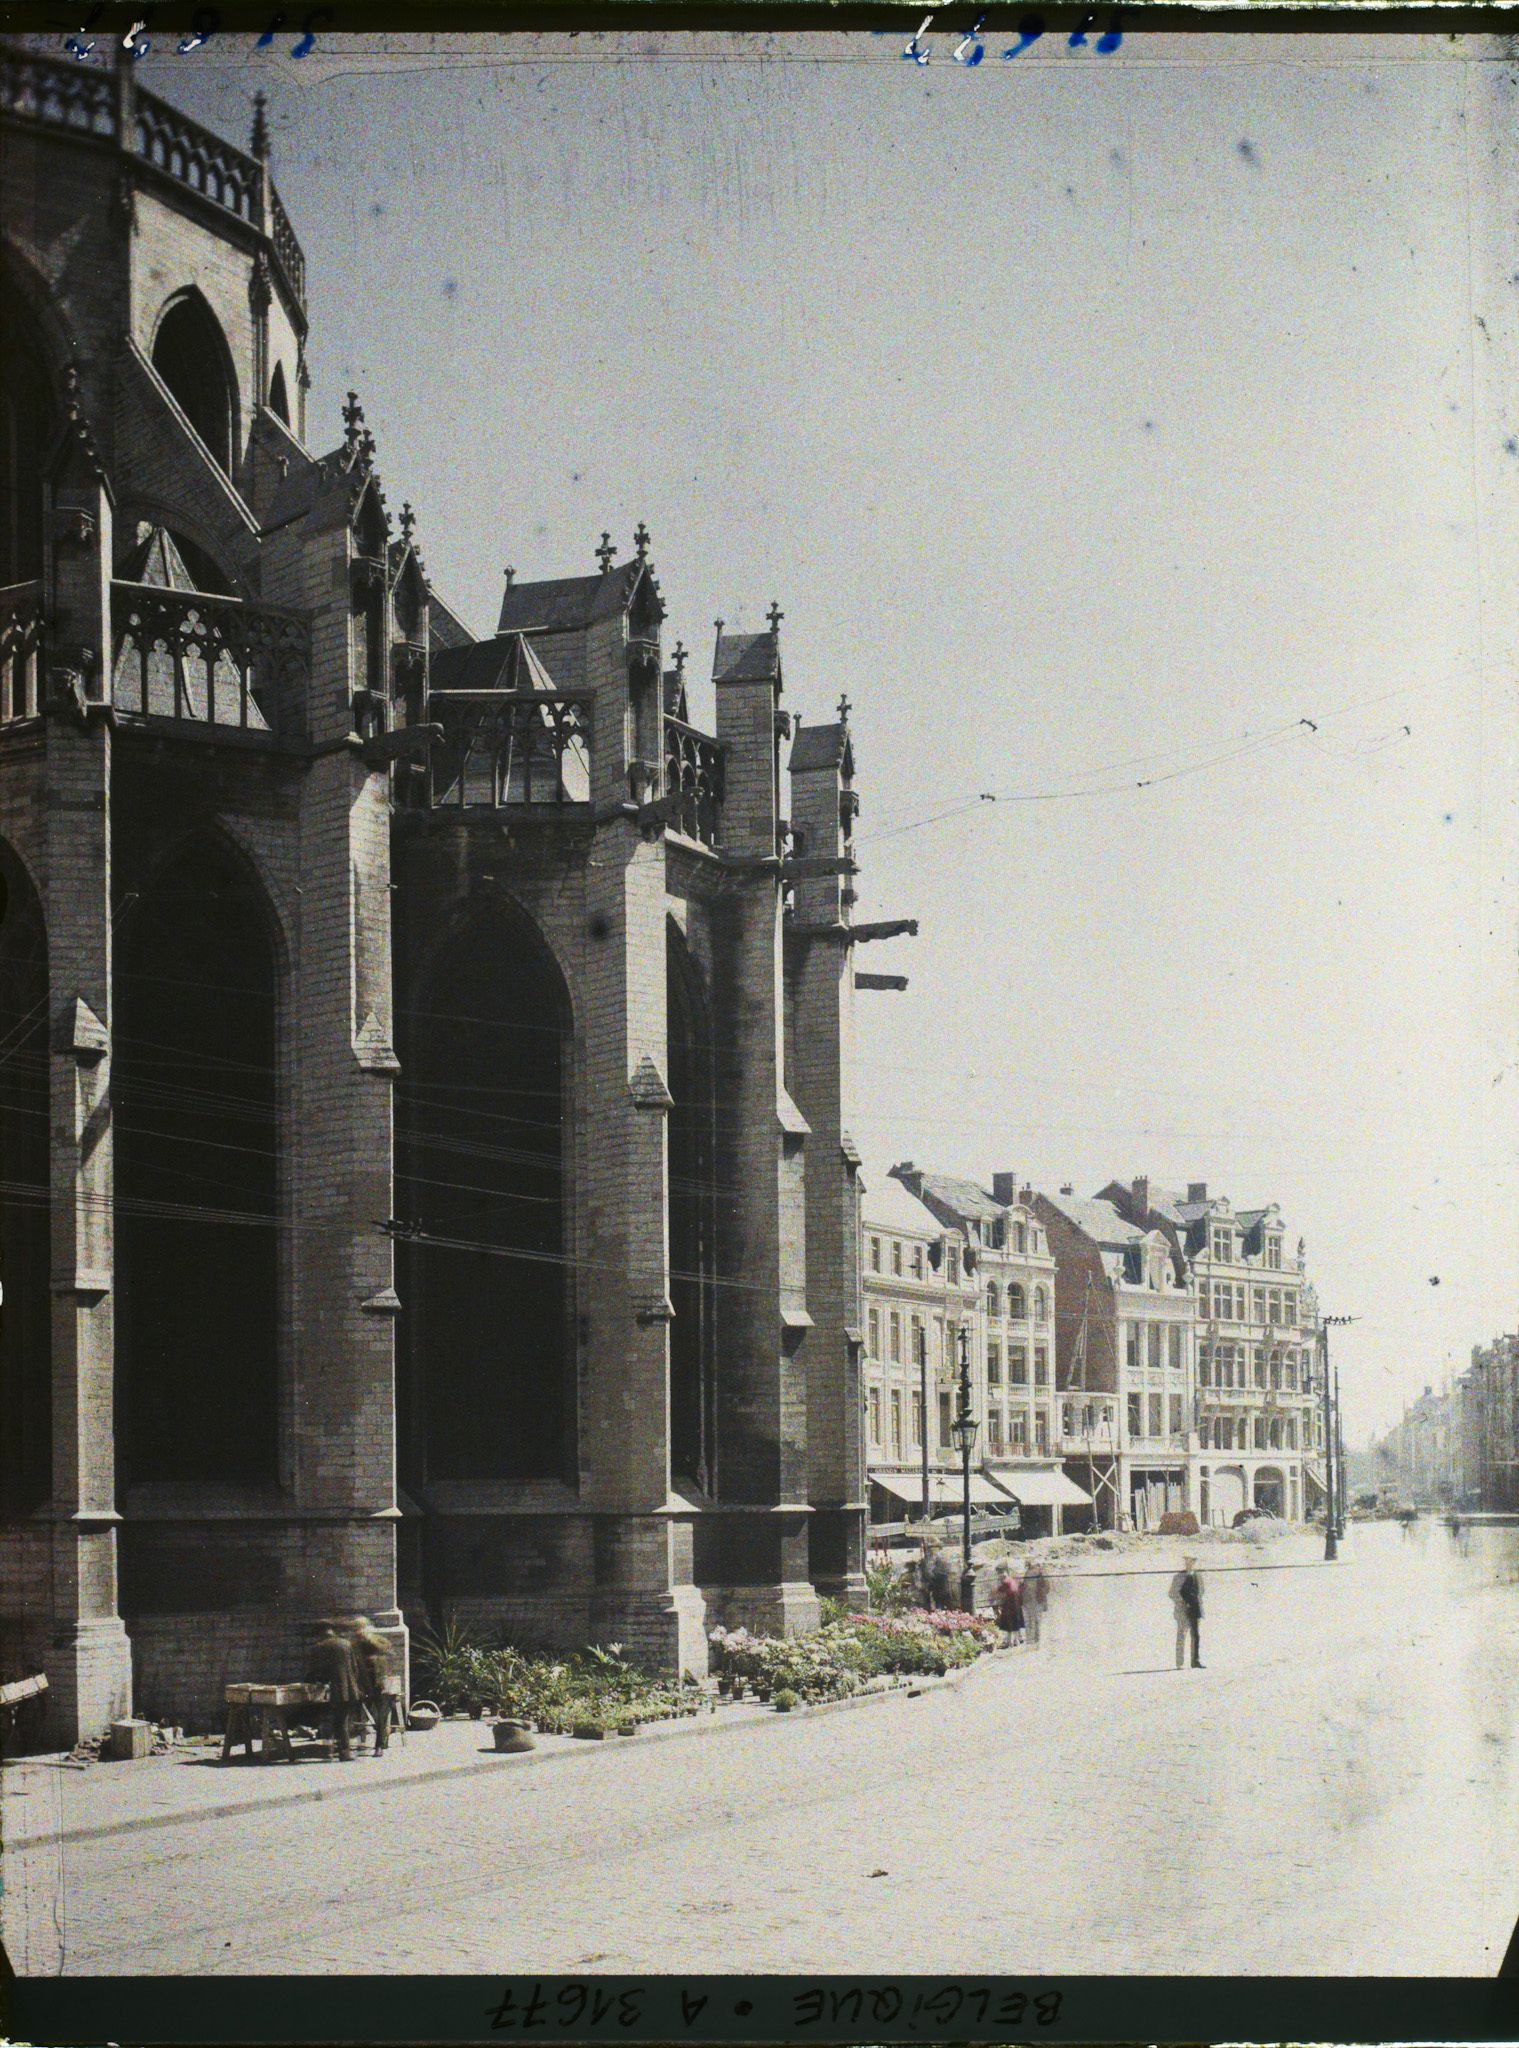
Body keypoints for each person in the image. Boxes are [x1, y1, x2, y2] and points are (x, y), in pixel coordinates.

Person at [306, 1619, 364, 1760]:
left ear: (320, 1633)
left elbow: (316, 1671)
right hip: (350, 1689)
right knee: (343, 1720)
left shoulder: (319, 1647)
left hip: (331, 1690)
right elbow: (355, 1668)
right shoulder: (346, 1644)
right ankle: (341, 1750)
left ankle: (336, 1751)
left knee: (332, 1720)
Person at [346, 1616, 395, 1755]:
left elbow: (387, 1651)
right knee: (357, 1712)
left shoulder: (378, 1640)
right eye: (355, 1629)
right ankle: (359, 1741)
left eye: (359, 1628)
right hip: (363, 1683)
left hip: (379, 1682)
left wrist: (369, 1638)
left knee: (381, 1714)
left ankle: (379, 1745)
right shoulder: (354, 1645)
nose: (357, 1632)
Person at [1170, 1556, 1204, 1669]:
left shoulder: (1198, 1576)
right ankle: (1179, 1663)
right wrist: (1183, 1602)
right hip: (1183, 1610)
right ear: (1185, 1562)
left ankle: (1195, 1661)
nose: (1190, 1563)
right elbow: (1172, 1593)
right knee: (1182, 1635)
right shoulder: (1178, 1577)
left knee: (1196, 1635)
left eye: (1193, 1561)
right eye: (1188, 1560)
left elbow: (1201, 1591)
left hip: (1195, 1609)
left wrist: (1195, 1602)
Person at [994, 1564, 1025, 1646]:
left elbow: (998, 1591)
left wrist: (995, 1592)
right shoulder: (1011, 1580)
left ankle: (1011, 1641)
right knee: (1016, 1622)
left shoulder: (1006, 1581)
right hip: (1016, 1603)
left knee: (1009, 1623)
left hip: (1010, 1604)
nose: (999, 1576)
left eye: (999, 1574)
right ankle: (1017, 1639)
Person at [1024, 1560, 1050, 1647]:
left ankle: (1033, 1641)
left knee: (1032, 1620)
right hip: (1037, 1600)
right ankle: (1036, 1640)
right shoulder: (1040, 1572)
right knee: (1037, 1620)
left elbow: (1026, 1587)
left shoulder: (1030, 1573)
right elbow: (1047, 1588)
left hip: (1033, 1600)